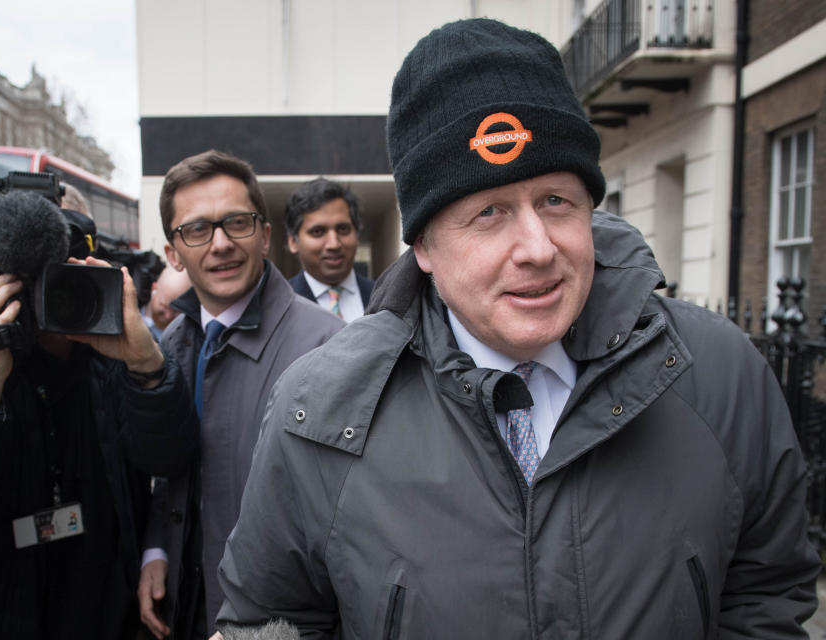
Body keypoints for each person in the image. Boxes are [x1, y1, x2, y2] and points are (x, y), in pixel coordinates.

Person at [214, 19, 821, 638]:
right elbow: (269, 621)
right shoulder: (317, 413)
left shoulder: (717, 373)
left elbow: (766, 593)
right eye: (488, 212)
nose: (536, 248)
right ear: (423, 244)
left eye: (556, 200)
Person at [0, 192, 197, 639]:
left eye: (60, 276)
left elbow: (170, 457)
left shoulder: (113, 357)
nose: (46, 298)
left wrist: (147, 366)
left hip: (108, 606)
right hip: (2, 613)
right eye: (30, 281)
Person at [136, 150, 344, 639]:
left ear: (266, 235)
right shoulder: (173, 345)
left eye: (237, 222)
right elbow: (172, 473)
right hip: (186, 609)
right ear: (173, 253)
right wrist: (157, 548)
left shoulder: (328, 347)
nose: (221, 244)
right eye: (197, 229)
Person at [285, 178, 374, 321]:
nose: (334, 244)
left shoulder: (385, 298)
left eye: (343, 229)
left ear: (357, 233)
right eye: (318, 232)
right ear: (293, 242)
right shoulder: (279, 305)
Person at [142, 265, 193, 341]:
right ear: (153, 289)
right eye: (164, 306)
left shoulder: (184, 338)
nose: (168, 316)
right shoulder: (126, 313)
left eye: (176, 311)